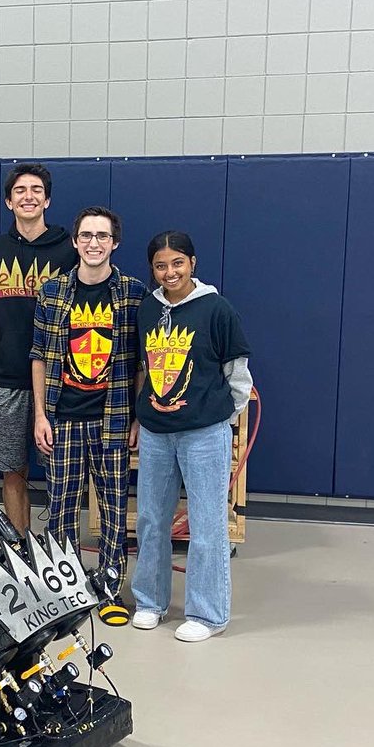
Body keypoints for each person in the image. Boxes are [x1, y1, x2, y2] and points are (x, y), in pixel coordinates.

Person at [130, 231, 253, 642]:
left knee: (207, 523)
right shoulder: (148, 309)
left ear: (193, 263)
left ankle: (207, 613)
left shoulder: (217, 309)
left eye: (177, 263)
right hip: (157, 433)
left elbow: (237, 373)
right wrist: (143, 415)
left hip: (203, 433)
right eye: (161, 265)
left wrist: (218, 417)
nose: (170, 272)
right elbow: (145, 367)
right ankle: (150, 601)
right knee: (151, 519)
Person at [31, 206, 145, 625]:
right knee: (61, 509)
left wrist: (136, 417)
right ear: (75, 242)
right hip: (63, 418)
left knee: (113, 509)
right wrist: (40, 415)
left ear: (114, 243)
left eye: (102, 236)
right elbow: (39, 357)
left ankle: (110, 589)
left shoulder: (132, 293)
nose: (94, 243)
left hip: (112, 419)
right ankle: (68, 593)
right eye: (86, 236)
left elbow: (141, 362)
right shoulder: (52, 292)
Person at [0, 163, 77, 533]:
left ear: (47, 200)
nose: (28, 197)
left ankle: (59, 549)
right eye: (20, 191)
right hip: (5, 380)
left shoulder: (70, 251)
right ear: (9, 202)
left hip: (58, 382)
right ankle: (20, 547)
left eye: (37, 190)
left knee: (60, 471)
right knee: (12, 470)